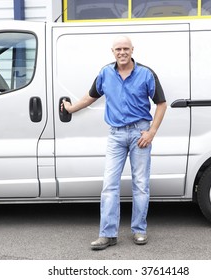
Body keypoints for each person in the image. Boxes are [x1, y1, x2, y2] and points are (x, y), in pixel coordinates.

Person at [62, 35, 167, 250]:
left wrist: (152, 132)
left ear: (132, 50)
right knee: (109, 185)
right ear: (112, 51)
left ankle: (139, 230)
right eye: (118, 49)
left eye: (125, 49)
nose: (122, 52)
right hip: (116, 135)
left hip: (140, 135)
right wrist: (71, 108)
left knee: (140, 185)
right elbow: (89, 97)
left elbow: (162, 104)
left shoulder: (146, 74)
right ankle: (108, 234)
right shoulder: (105, 73)